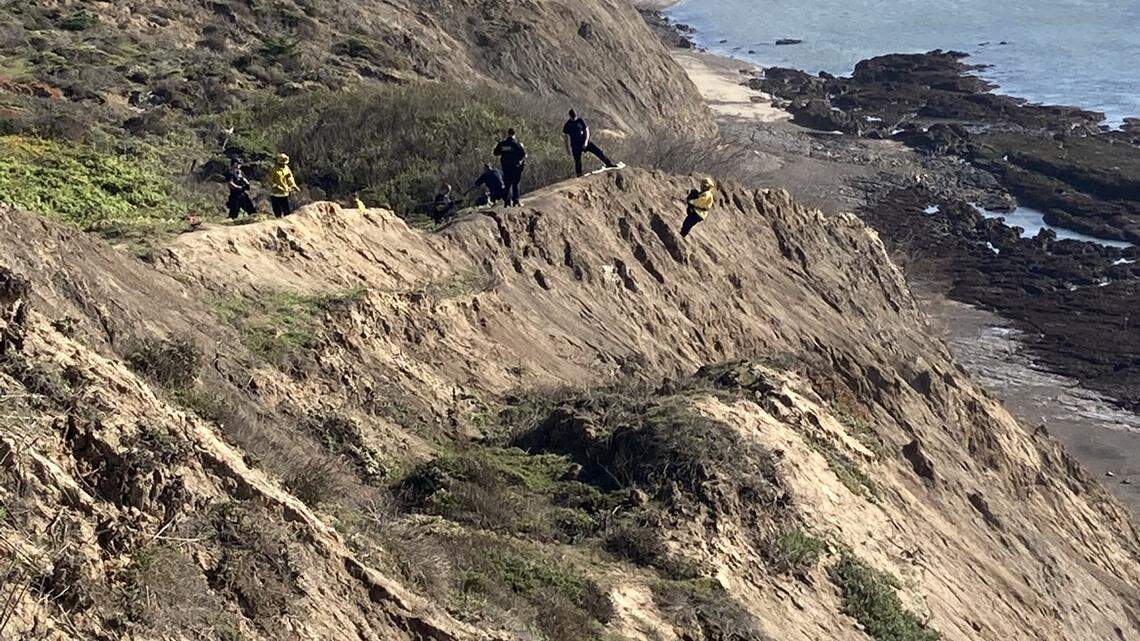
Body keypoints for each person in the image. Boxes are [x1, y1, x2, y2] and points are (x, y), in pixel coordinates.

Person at [562, 109, 618, 177]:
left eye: (575, 116)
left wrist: (585, 142)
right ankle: (579, 174)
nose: (575, 118)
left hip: (584, 141)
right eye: (573, 117)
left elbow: (586, 130)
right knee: (577, 160)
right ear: (570, 116)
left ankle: (608, 163)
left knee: (598, 151)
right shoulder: (567, 124)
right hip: (575, 145)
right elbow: (565, 138)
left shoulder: (580, 120)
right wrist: (567, 149)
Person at [493, 128, 527, 207]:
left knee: (507, 184)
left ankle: (507, 202)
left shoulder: (502, 144)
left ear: (508, 134)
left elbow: (495, 153)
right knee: (515, 184)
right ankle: (516, 201)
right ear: (514, 134)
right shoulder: (516, 144)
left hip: (505, 167)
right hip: (515, 167)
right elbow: (523, 154)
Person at [267, 153, 298, 218]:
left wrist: (293, 185)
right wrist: (275, 185)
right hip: (275, 193)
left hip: (285, 193)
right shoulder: (274, 169)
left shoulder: (286, 168)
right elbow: (270, 179)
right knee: (277, 211)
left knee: (286, 210)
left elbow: (289, 177)